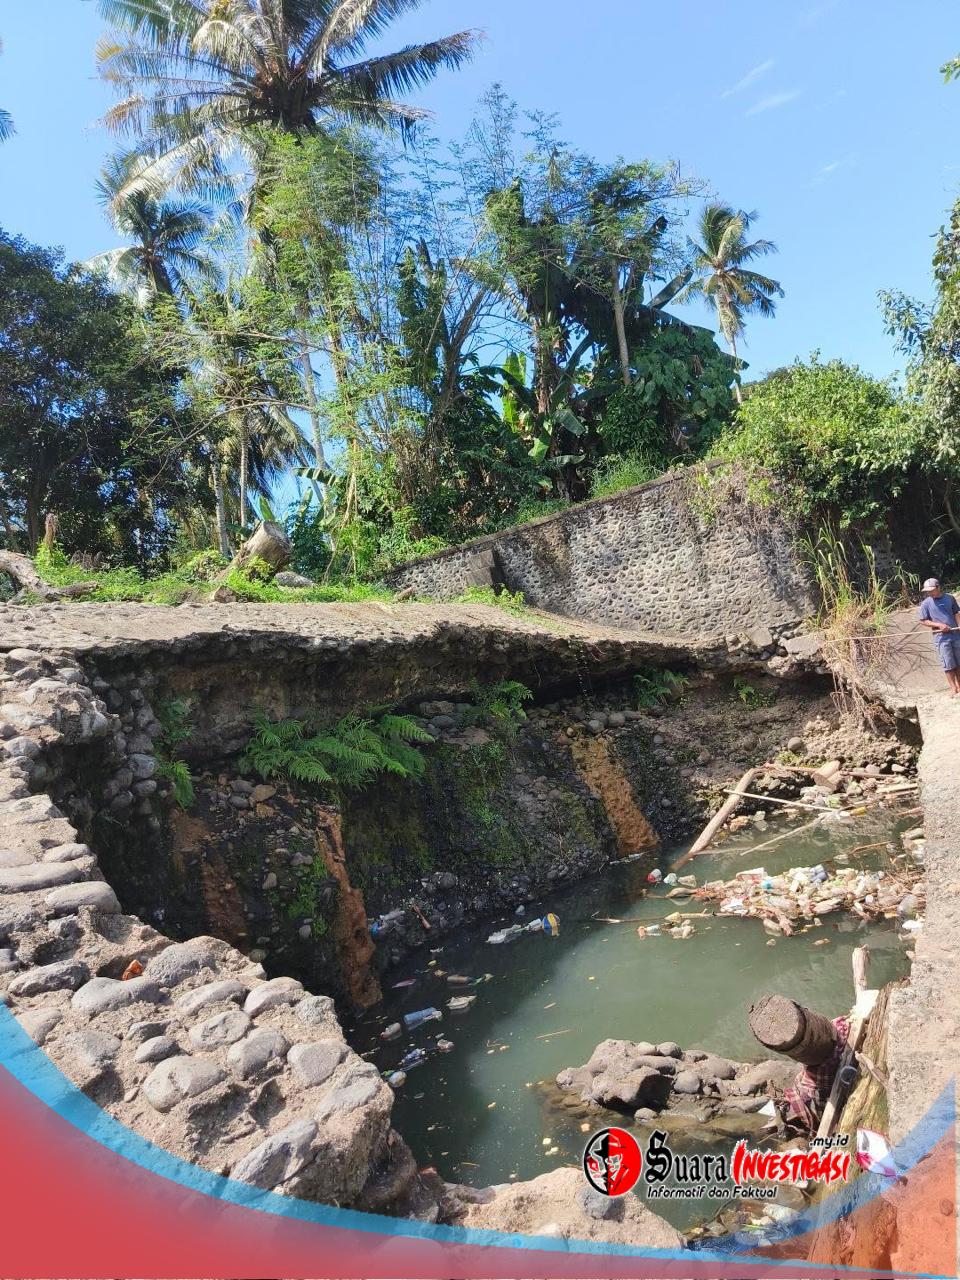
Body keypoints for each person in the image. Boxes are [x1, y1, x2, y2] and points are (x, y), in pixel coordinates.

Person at [918, 577, 960, 696]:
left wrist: (959, 625)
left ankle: (959, 686)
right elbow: (923, 620)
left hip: (956, 635)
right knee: (948, 664)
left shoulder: (949, 598)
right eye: (928, 591)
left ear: (938, 587)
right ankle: (953, 688)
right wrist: (939, 625)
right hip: (941, 638)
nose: (930, 593)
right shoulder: (926, 603)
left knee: (959, 662)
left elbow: (956, 613)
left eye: (932, 590)